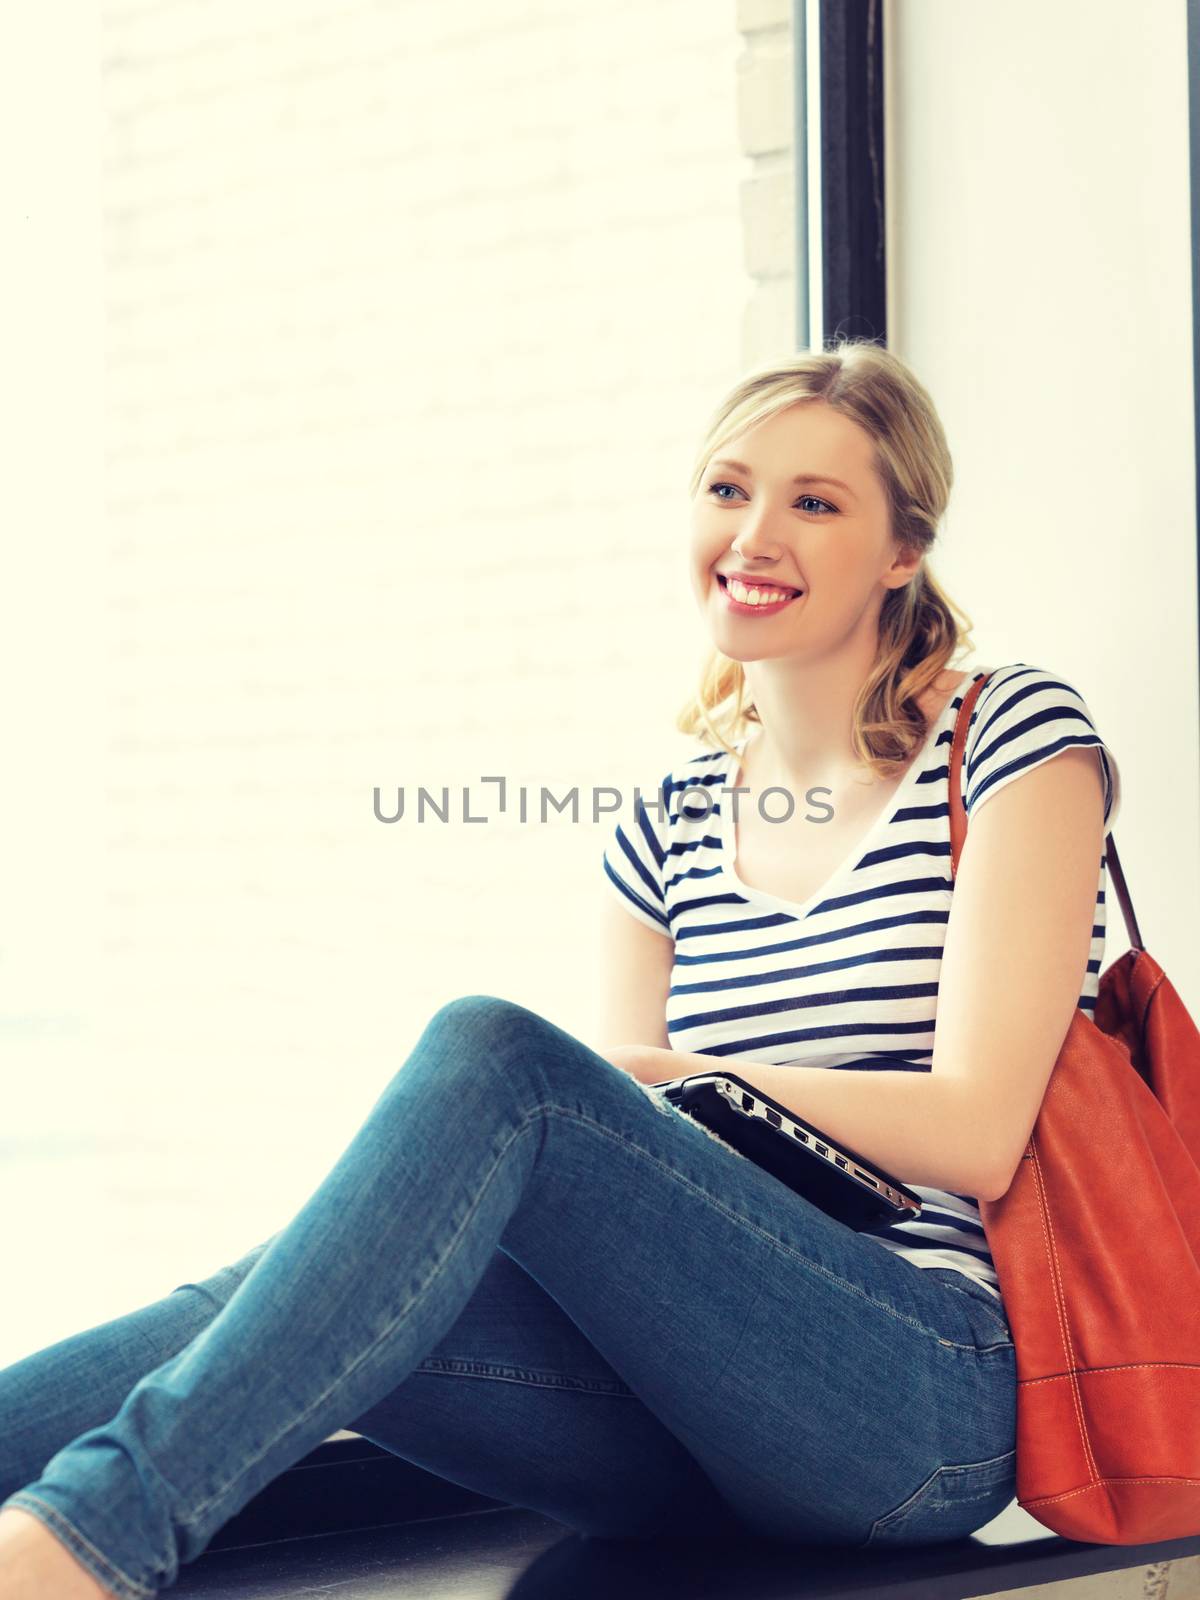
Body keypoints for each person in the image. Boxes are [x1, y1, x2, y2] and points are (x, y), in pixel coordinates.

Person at [0, 342, 1121, 1598]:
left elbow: (976, 1131)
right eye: (727, 488)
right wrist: (631, 1101)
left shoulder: (1008, 736)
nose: (754, 533)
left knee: (500, 1058)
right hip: (687, 1438)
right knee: (306, 1286)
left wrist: (670, 1071)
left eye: (816, 503)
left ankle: (93, 1540)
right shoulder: (664, 827)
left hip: (922, 1402)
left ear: (904, 550)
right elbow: (622, 1193)